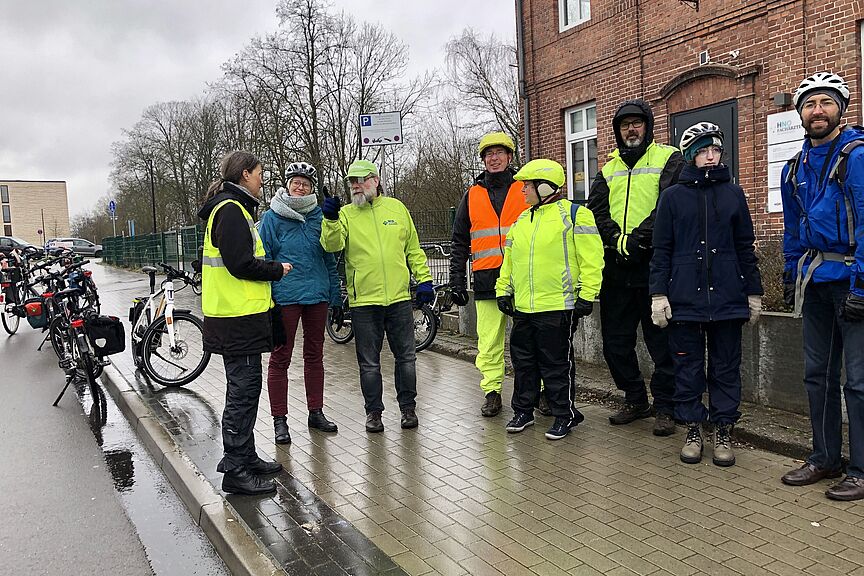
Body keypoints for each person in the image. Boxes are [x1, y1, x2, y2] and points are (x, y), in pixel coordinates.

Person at [649, 122, 763, 467]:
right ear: (690, 156)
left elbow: (745, 247)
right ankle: (693, 428)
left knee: (726, 367)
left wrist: (753, 292)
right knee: (687, 367)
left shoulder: (733, 194)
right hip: (685, 298)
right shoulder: (671, 197)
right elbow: (661, 250)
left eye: (715, 150)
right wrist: (658, 294)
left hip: (727, 297)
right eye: (702, 151)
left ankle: (724, 428)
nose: (710, 157)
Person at [779, 72, 864, 500]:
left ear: (841, 109)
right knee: (818, 376)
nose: (818, 111)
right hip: (815, 281)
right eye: (810, 104)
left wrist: (863, 285)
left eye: (826, 102)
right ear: (800, 114)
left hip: (852, 279)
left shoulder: (857, 155)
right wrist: (791, 271)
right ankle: (825, 457)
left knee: (859, 381)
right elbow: (792, 227)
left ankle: (861, 469)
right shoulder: (794, 166)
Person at [586, 98, 684, 436]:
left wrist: (639, 238)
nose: (631, 129)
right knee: (615, 342)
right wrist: (616, 239)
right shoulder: (607, 169)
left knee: (661, 343)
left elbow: (670, 204)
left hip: (655, 267)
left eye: (637, 123)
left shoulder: (669, 158)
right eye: (625, 124)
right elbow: (595, 211)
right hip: (617, 270)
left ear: (648, 127)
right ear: (617, 131)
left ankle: (666, 406)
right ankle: (634, 397)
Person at [198, 150, 292, 496]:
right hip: (238, 320)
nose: (262, 179)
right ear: (245, 174)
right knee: (242, 393)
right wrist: (275, 270)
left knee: (245, 390)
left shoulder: (230, 209)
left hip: (237, 319)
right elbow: (240, 264)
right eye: (259, 173)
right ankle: (235, 469)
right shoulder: (231, 211)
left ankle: (246, 456)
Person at [319, 159, 434, 432]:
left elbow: (413, 249)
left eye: (362, 179)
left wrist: (425, 279)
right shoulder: (345, 214)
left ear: (376, 180)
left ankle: (408, 409)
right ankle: (374, 413)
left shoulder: (397, 208)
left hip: (398, 299)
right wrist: (331, 219)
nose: (356, 185)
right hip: (364, 301)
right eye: (352, 181)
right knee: (369, 363)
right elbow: (332, 245)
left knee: (406, 357)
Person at [496, 159, 604, 440]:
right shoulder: (522, 220)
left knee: (556, 364)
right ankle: (523, 410)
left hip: (558, 306)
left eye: (527, 186)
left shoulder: (576, 215)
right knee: (523, 363)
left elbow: (592, 260)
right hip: (524, 307)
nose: (522, 192)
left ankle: (563, 414)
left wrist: (587, 294)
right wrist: (503, 289)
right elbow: (510, 260)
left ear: (544, 187)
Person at [450, 132, 533, 417]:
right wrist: (456, 280)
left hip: (522, 278)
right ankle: (492, 391)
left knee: (531, 339)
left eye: (499, 153)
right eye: (488, 154)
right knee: (489, 341)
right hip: (486, 279)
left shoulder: (525, 189)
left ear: (510, 157)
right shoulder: (471, 195)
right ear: (483, 160)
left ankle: (540, 391)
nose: (494, 158)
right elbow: (459, 240)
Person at [258, 161, 341, 445]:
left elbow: (330, 256)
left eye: (305, 183)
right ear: (288, 183)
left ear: (311, 188)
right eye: (296, 181)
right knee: (281, 357)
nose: (300, 186)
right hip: (285, 295)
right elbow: (265, 257)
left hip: (317, 293)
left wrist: (335, 292)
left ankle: (315, 411)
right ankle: (280, 420)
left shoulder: (320, 215)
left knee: (315, 355)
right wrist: (268, 295)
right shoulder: (272, 217)